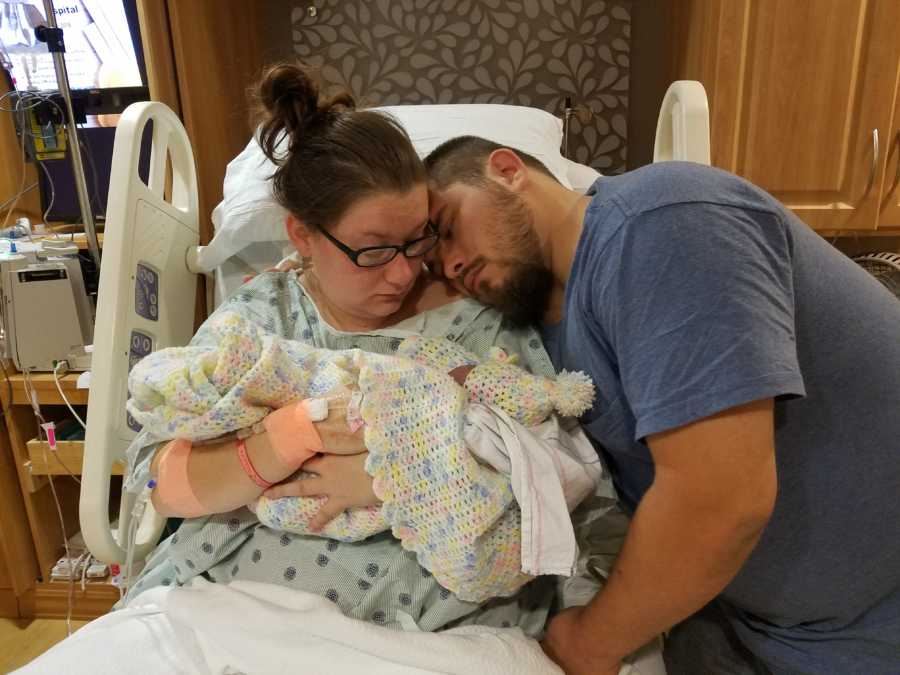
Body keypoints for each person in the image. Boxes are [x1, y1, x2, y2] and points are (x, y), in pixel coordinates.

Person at [108, 63, 620, 634]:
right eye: (373, 250)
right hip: (238, 608)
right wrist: (285, 441)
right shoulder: (261, 320)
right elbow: (162, 483)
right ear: (303, 236)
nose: (404, 273)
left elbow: (557, 476)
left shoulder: (477, 321)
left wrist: (398, 479)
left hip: (437, 628)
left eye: (418, 238)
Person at [405, 136, 900, 674]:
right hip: (742, 621)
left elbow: (719, 500)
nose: (450, 264)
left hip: (873, 619)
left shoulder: (658, 222)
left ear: (506, 170)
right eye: (434, 265)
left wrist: (589, 643)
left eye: (449, 229)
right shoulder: (538, 331)